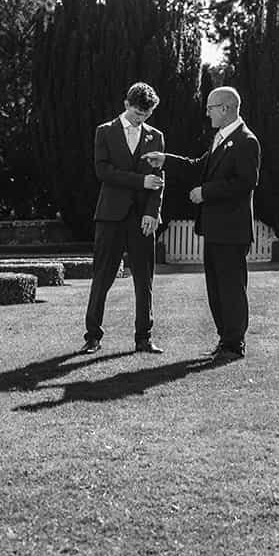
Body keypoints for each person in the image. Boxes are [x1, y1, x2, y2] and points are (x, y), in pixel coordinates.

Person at [143, 86, 260, 358]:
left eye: (210, 107)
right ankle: (225, 339)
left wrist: (205, 192)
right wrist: (164, 159)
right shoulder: (220, 138)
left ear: (226, 108)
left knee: (231, 288)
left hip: (232, 229)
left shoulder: (246, 141)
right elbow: (198, 166)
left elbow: (245, 183)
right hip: (215, 228)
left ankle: (234, 344)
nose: (206, 113)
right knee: (216, 289)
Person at [82, 82, 166, 355]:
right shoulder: (104, 132)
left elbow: (158, 180)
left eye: (146, 115)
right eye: (138, 113)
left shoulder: (156, 137)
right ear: (126, 104)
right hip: (110, 216)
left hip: (142, 219)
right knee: (102, 278)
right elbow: (104, 172)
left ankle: (144, 338)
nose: (141, 119)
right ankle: (92, 336)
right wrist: (141, 181)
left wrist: (152, 212)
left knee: (145, 280)